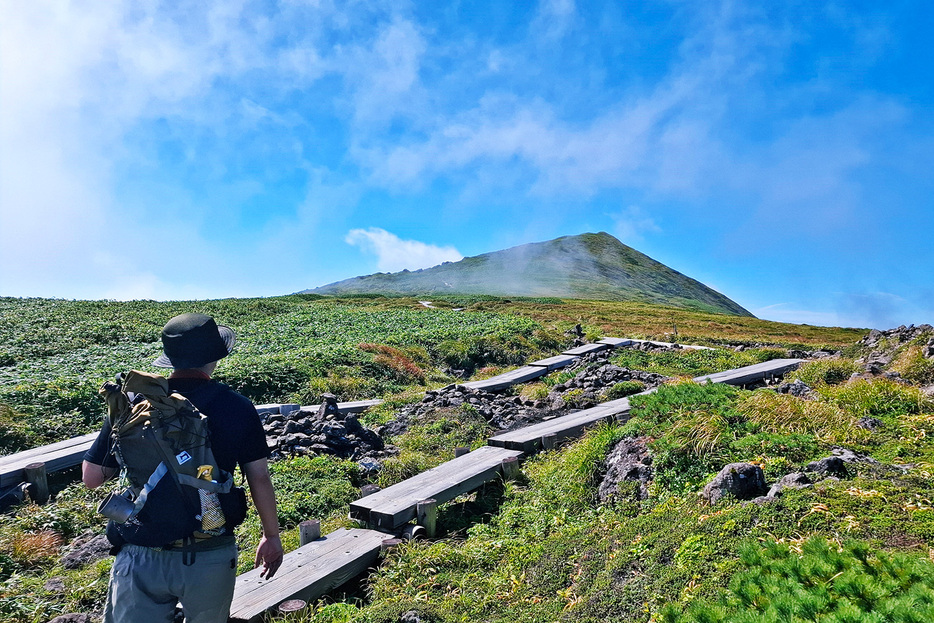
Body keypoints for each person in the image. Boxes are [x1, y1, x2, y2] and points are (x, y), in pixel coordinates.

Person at [82, 313, 283, 623]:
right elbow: (259, 476)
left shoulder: (136, 403)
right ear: (217, 355)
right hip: (209, 552)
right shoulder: (237, 406)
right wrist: (271, 535)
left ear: (170, 357)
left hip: (141, 549)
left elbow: (92, 477)